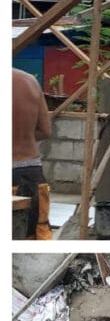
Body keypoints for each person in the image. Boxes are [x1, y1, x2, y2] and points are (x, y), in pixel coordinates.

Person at [12, 68, 52, 240]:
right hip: (30, 172)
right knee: (34, 235)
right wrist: (23, 136)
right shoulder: (30, 81)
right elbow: (45, 131)